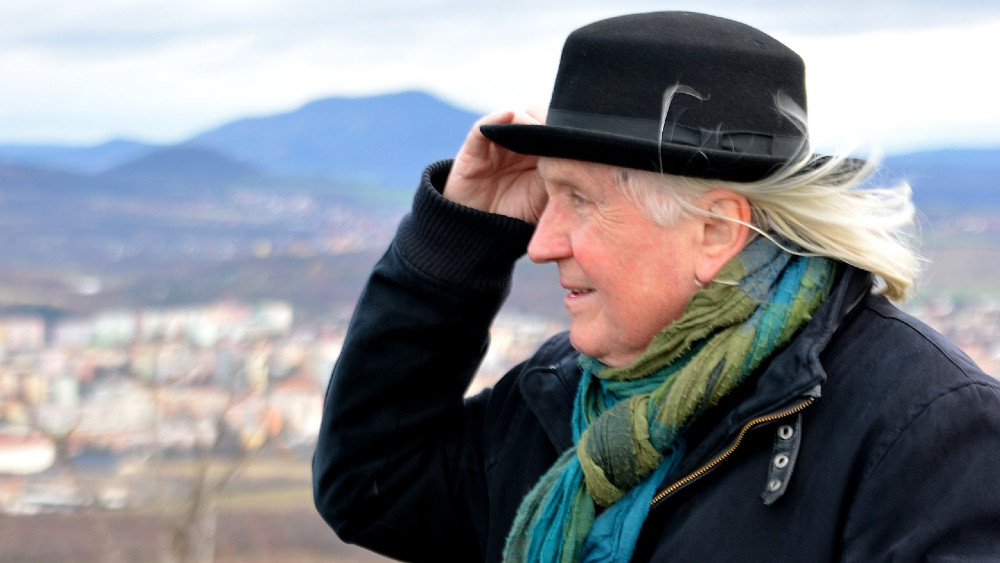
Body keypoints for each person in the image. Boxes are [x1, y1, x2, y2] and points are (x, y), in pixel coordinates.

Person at [313, 11, 1000, 563]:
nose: (540, 244)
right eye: (546, 195)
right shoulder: (561, 394)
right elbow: (373, 484)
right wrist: (456, 238)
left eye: (579, 200)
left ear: (715, 230)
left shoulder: (926, 433)